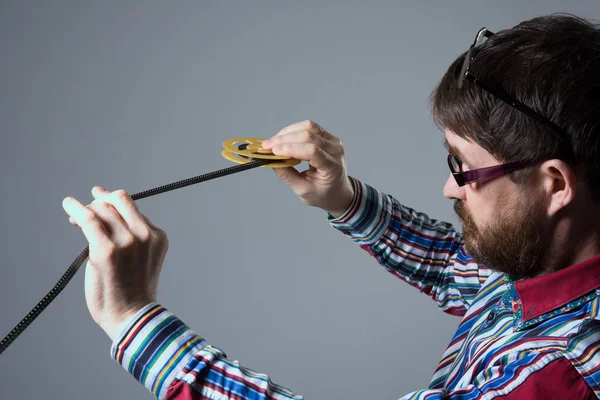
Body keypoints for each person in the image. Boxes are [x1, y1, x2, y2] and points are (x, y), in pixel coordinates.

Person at [62, 12, 600, 400]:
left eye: (463, 168)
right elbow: (460, 267)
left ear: (554, 184)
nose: (449, 188)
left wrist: (134, 319)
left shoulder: (556, 377)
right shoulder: (548, 260)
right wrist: (342, 198)